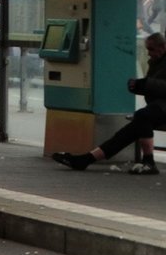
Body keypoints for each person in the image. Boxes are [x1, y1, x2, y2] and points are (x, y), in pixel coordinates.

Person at [53, 32, 166, 175]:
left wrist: (146, 84)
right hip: (159, 107)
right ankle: (85, 160)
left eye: (151, 49)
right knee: (131, 129)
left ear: (162, 47)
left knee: (142, 117)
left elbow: (159, 86)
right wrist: (139, 86)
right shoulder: (156, 62)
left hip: (161, 107)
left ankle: (149, 162)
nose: (149, 53)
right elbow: (156, 87)